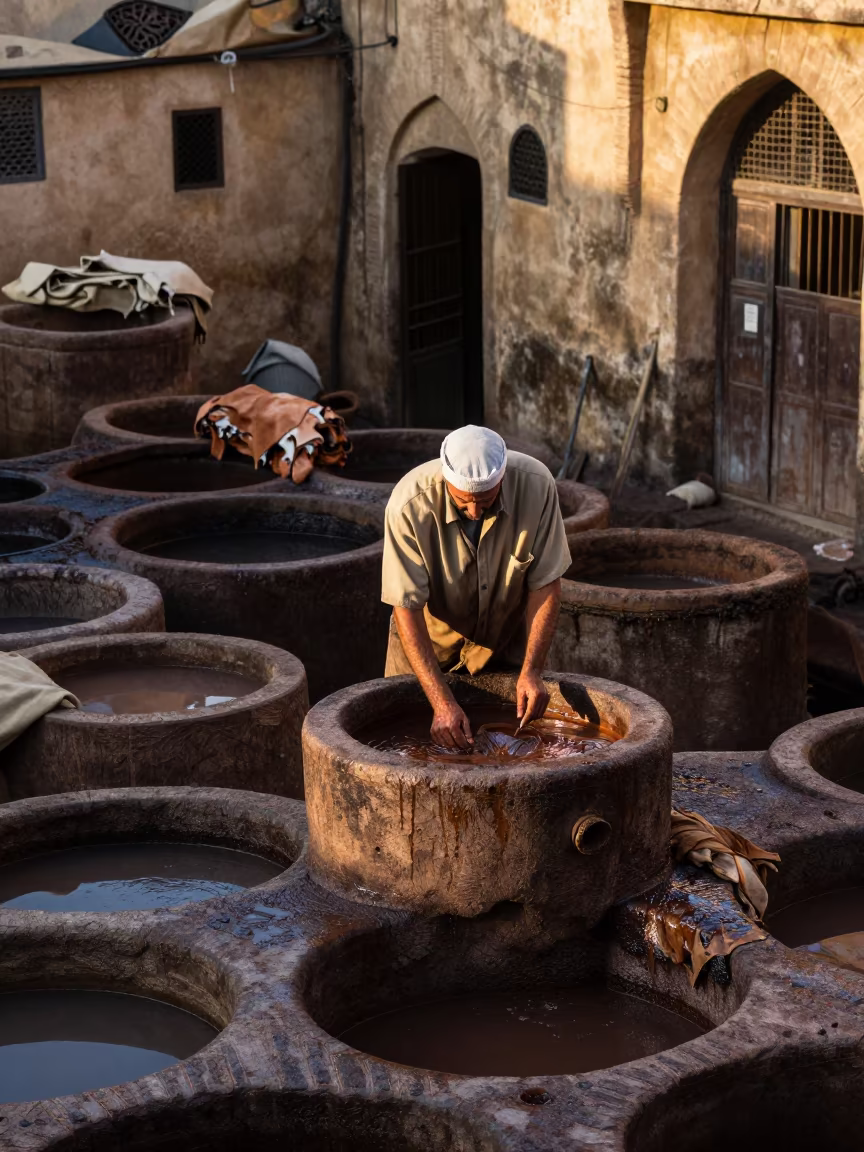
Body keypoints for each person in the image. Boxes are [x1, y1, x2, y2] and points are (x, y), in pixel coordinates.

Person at [381, 425, 571, 749]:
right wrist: (441, 702)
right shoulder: (407, 505)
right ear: (446, 481)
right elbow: (406, 609)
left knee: (517, 754)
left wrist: (532, 670)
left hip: (503, 645)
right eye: (462, 502)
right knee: (408, 750)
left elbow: (545, 587)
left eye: (485, 501)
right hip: (429, 646)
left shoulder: (537, 487)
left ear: (502, 479)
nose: (474, 511)